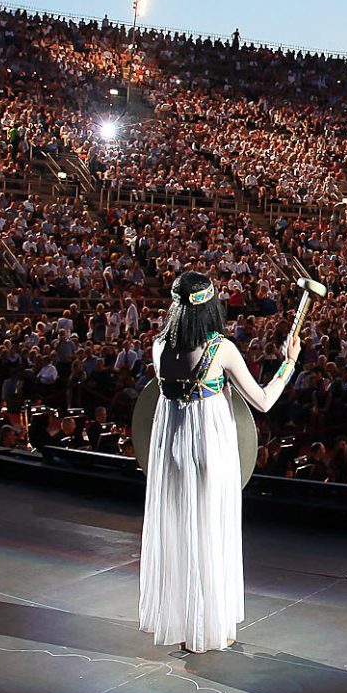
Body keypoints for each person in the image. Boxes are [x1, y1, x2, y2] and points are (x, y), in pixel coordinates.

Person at [133, 271, 299, 652]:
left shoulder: (159, 346)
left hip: (171, 447)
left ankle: (188, 624)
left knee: (182, 531)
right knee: (212, 532)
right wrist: (288, 364)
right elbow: (261, 401)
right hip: (209, 447)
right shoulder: (219, 348)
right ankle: (209, 628)